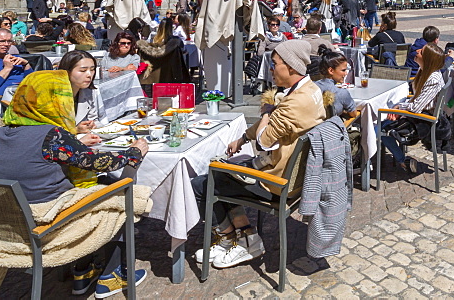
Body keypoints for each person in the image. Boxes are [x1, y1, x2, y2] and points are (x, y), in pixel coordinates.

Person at [0, 69, 148, 297]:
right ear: (53, 101)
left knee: (91, 185)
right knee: (122, 196)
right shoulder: (51, 135)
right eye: (63, 97)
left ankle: (83, 271)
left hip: (6, 221)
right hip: (49, 222)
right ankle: (113, 274)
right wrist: (134, 153)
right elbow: (98, 162)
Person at [191, 39, 325, 269]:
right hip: (295, 178)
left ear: (291, 67)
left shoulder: (294, 103)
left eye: (274, 64)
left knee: (205, 182)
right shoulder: (310, 90)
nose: (270, 70)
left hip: (277, 183)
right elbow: (276, 125)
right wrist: (243, 138)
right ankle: (245, 237)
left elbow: (264, 141)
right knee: (225, 171)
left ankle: (235, 239)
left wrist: (265, 111)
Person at [380, 44, 447, 173]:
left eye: (421, 51)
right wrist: (399, 110)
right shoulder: (425, 72)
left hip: (423, 121)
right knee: (385, 119)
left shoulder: (432, 78)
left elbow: (416, 107)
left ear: (427, 59)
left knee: (380, 128)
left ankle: (402, 160)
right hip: (419, 114)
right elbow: (417, 100)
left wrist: (399, 107)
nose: (416, 51)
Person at [56, 50, 102, 136]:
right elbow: (51, 131)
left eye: (92, 70)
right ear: (67, 72)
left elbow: (94, 119)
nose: (89, 75)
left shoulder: (90, 92)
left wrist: (92, 125)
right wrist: (76, 130)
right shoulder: (54, 97)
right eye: (83, 70)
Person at [137, 18, 187, 84]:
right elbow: (184, 51)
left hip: (152, 74)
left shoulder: (151, 39)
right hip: (169, 73)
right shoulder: (176, 42)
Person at [314, 47, 357, 119]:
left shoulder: (313, 86)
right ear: (331, 70)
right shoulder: (341, 93)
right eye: (343, 70)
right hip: (332, 127)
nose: (346, 73)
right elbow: (353, 114)